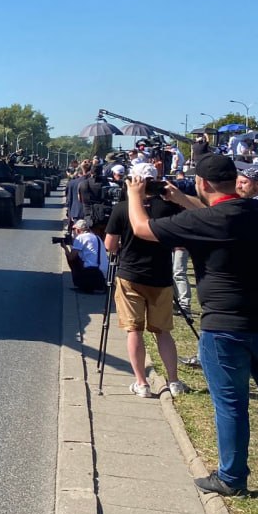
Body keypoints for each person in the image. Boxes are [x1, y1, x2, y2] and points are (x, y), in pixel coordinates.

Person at [125, 153, 258, 499]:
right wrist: (181, 199)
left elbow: (143, 229)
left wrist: (133, 194)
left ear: (202, 183)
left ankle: (232, 478)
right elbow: (213, 215)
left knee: (231, 404)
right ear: (235, 180)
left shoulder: (209, 221)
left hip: (227, 328)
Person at [105, 162, 187, 399]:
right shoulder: (169, 207)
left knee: (134, 330)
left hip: (130, 274)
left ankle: (141, 383)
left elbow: (110, 245)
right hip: (160, 275)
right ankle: (174, 381)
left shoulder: (122, 208)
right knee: (162, 331)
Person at [64, 218, 109, 293]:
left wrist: (65, 248)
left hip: (92, 272)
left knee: (75, 260)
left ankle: (81, 283)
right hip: (103, 273)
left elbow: (71, 257)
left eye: (74, 230)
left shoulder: (81, 237)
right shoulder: (97, 237)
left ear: (78, 230)